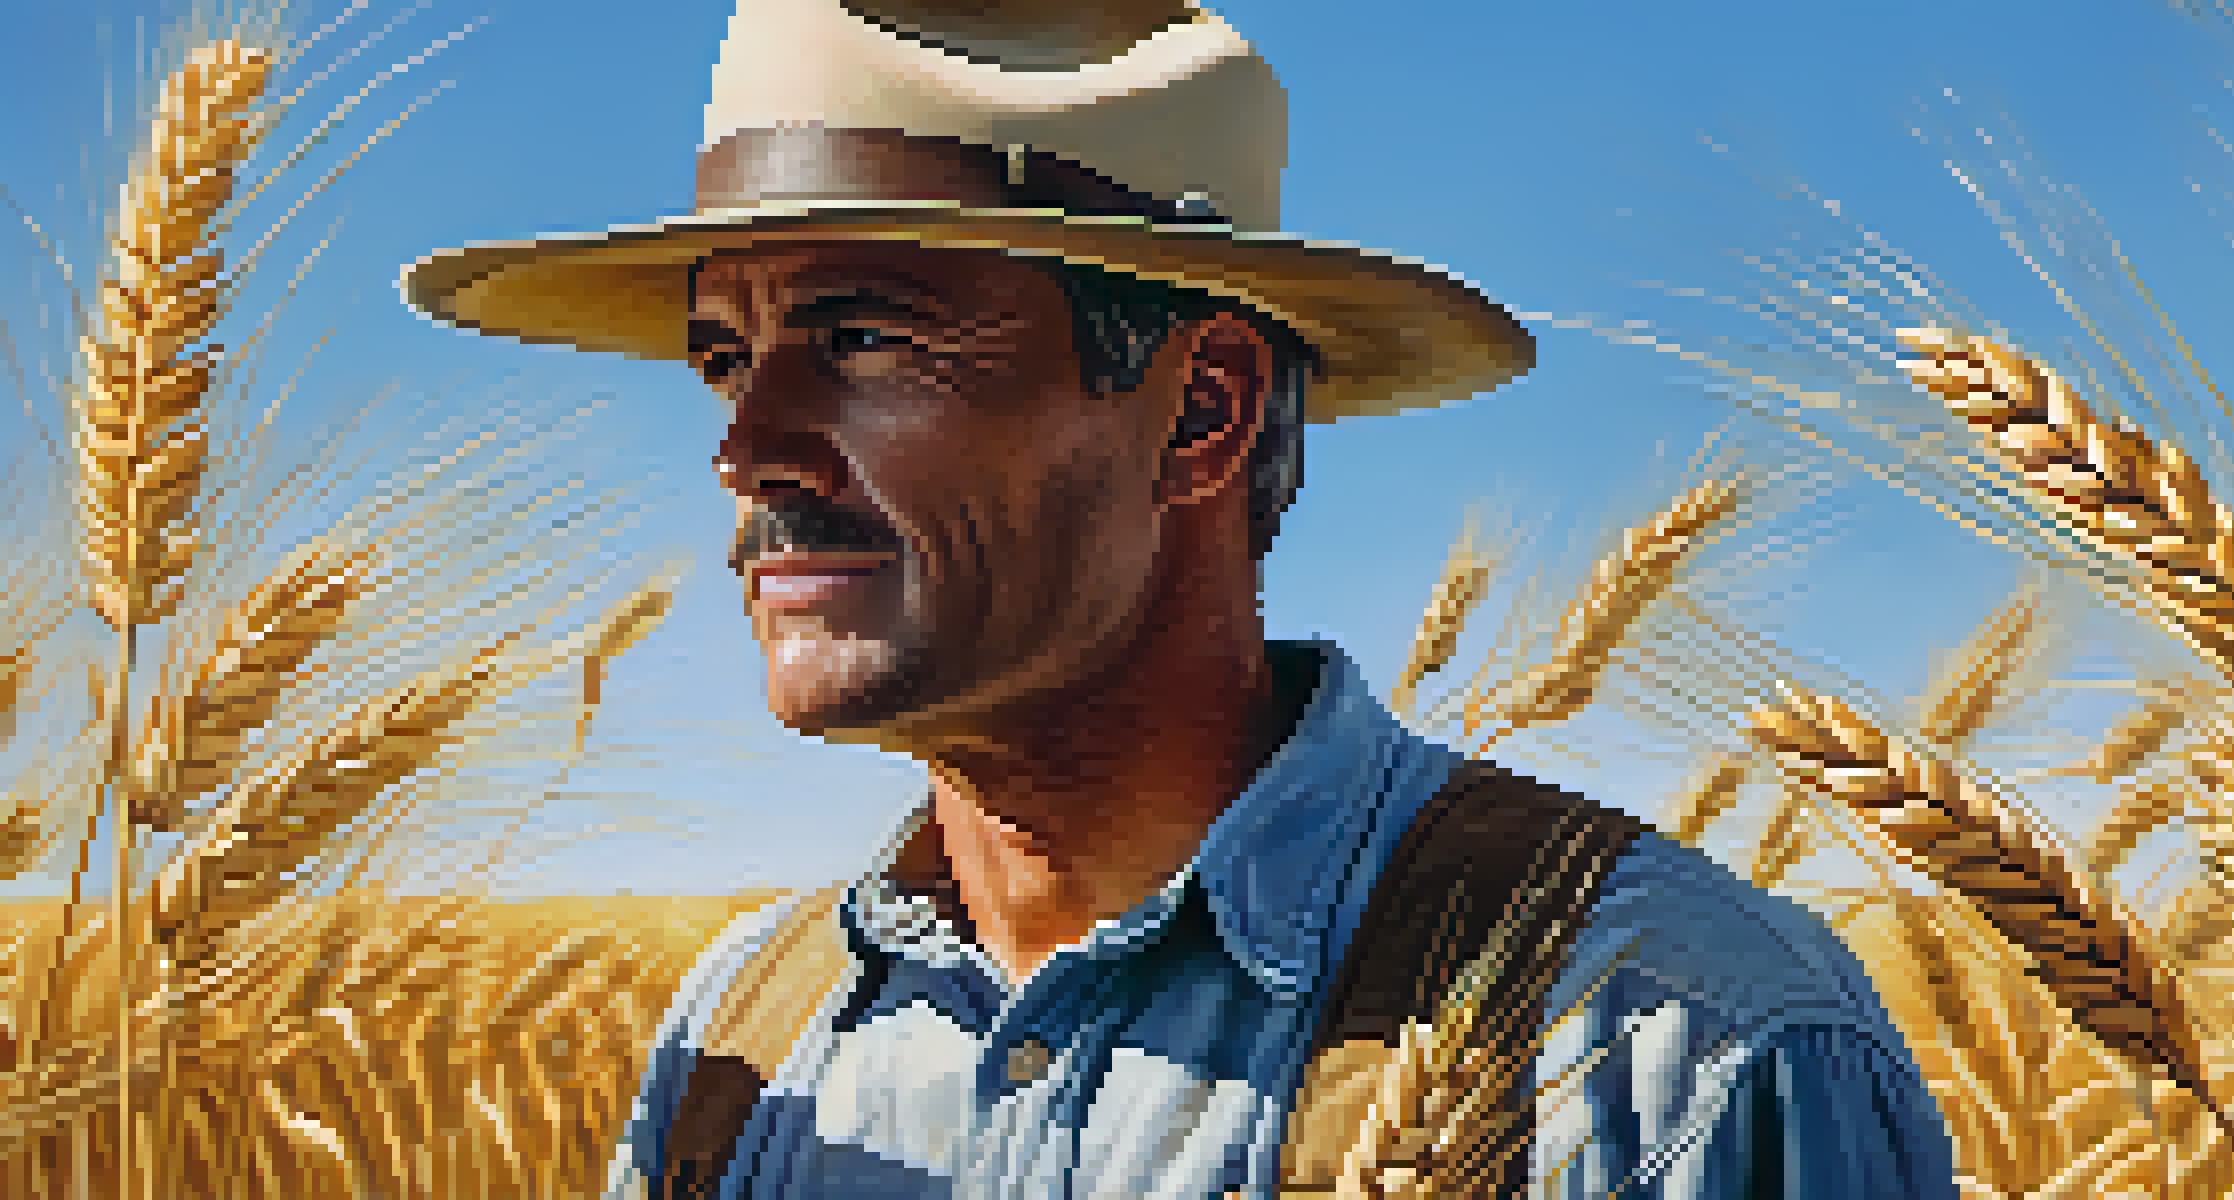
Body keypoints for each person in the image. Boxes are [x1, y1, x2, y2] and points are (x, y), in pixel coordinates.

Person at [402, 2, 1961, 1195]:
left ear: (1204, 409)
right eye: (725, 360)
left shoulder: (1670, 1054)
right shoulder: (740, 1042)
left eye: (866, 341)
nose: (746, 449)